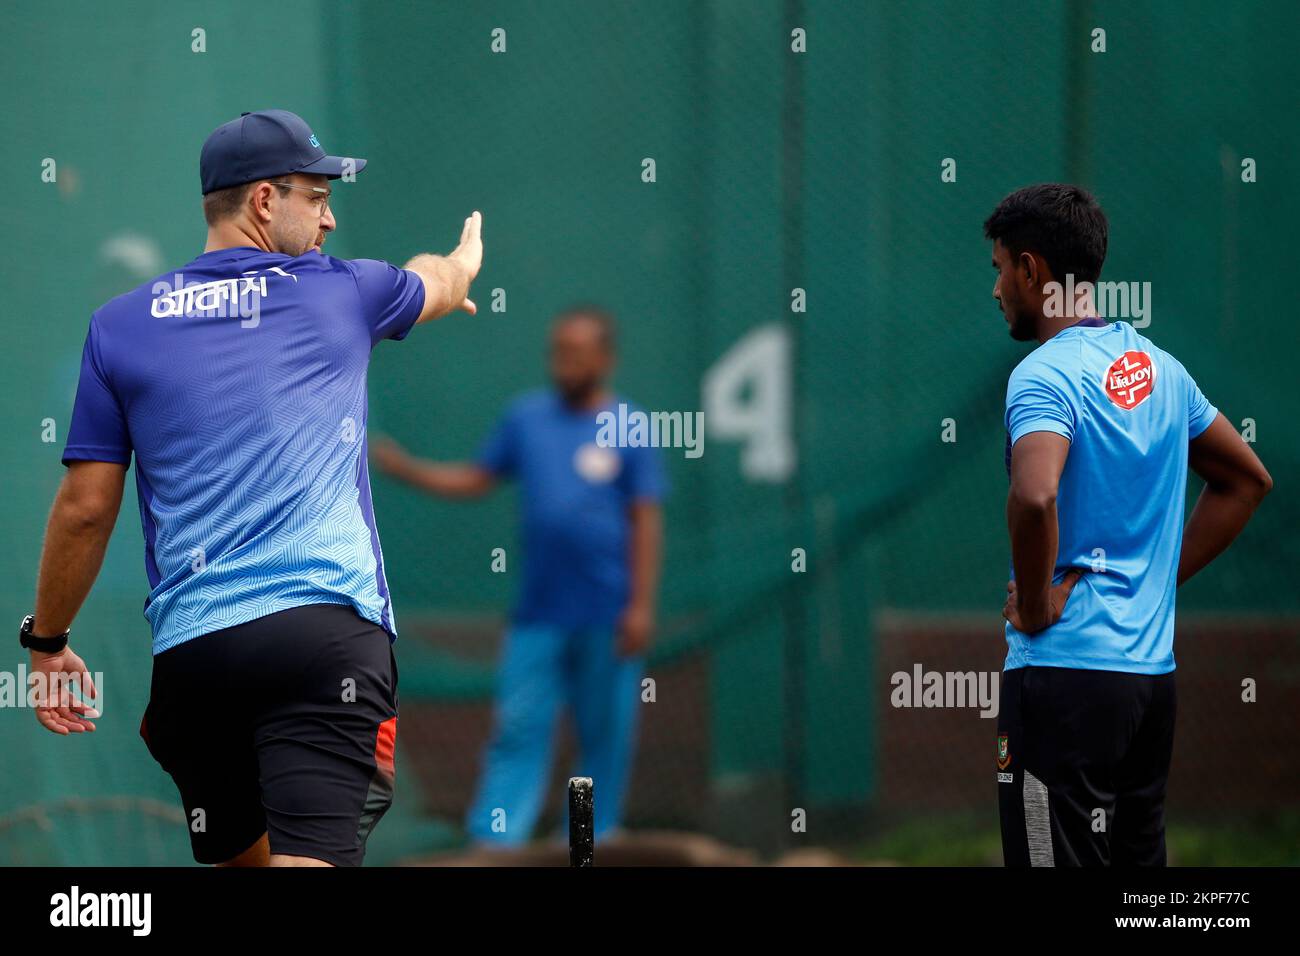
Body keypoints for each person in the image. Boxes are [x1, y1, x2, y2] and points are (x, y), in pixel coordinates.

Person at [22, 108, 483, 867]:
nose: (330, 219)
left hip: (196, 661)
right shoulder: (343, 293)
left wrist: (46, 641)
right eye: (317, 195)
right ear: (266, 201)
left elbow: (85, 509)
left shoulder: (117, 326)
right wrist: (464, 263)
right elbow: (436, 279)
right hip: (321, 642)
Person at [986, 183, 1271, 866]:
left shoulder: (1043, 376)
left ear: (1032, 269)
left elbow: (1033, 497)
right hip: (1148, 685)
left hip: (1061, 680)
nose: (996, 290)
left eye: (998, 269)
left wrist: (1034, 605)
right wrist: (1149, 583)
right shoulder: (1165, 373)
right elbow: (1247, 481)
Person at [373, 306, 666, 845]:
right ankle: (495, 843)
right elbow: (476, 477)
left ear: (605, 358)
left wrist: (641, 605)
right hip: (538, 614)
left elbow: (646, 519)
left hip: (608, 614)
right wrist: (407, 469)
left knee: (600, 737)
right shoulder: (526, 418)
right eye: (558, 352)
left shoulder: (630, 424)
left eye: (577, 354)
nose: (565, 364)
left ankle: (587, 843)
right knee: (520, 727)